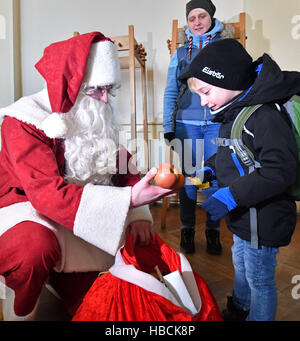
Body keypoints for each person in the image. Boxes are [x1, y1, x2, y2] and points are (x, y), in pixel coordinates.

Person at [0, 32, 175, 321]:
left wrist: (140, 212)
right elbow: (46, 195)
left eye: (110, 90)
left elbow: (122, 165)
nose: (105, 99)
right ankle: (21, 305)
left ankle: (59, 277)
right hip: (24, 210)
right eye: (97, 90)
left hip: (76, 214)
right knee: (34, 249)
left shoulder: (90, 112)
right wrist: (130, 199)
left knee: (102, 306)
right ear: (70, 85)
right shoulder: (23, 121)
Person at [178, 38, 300, 321]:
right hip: (245, 217)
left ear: (229, 79)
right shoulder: (234, 114)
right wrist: (206, 172)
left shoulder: (265, 116)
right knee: (241, 264)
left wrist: (230, 196)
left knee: (260, 278)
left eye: (206, 91)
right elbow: (226, 152)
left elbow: (279, 170)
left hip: (264, 218)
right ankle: (240, 308)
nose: (204, 101)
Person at [163, 0, 234, 255]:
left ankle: (213, 232)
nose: (197, 22)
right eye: (192, 18)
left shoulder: (226, 47)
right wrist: (167, 126)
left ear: (211, 17)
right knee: (190, 179)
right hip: (186, 123)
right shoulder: (181, 53)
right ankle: (187, 230)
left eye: (201, 16)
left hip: (217, 123)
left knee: (214, 177)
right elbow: (171, 90)